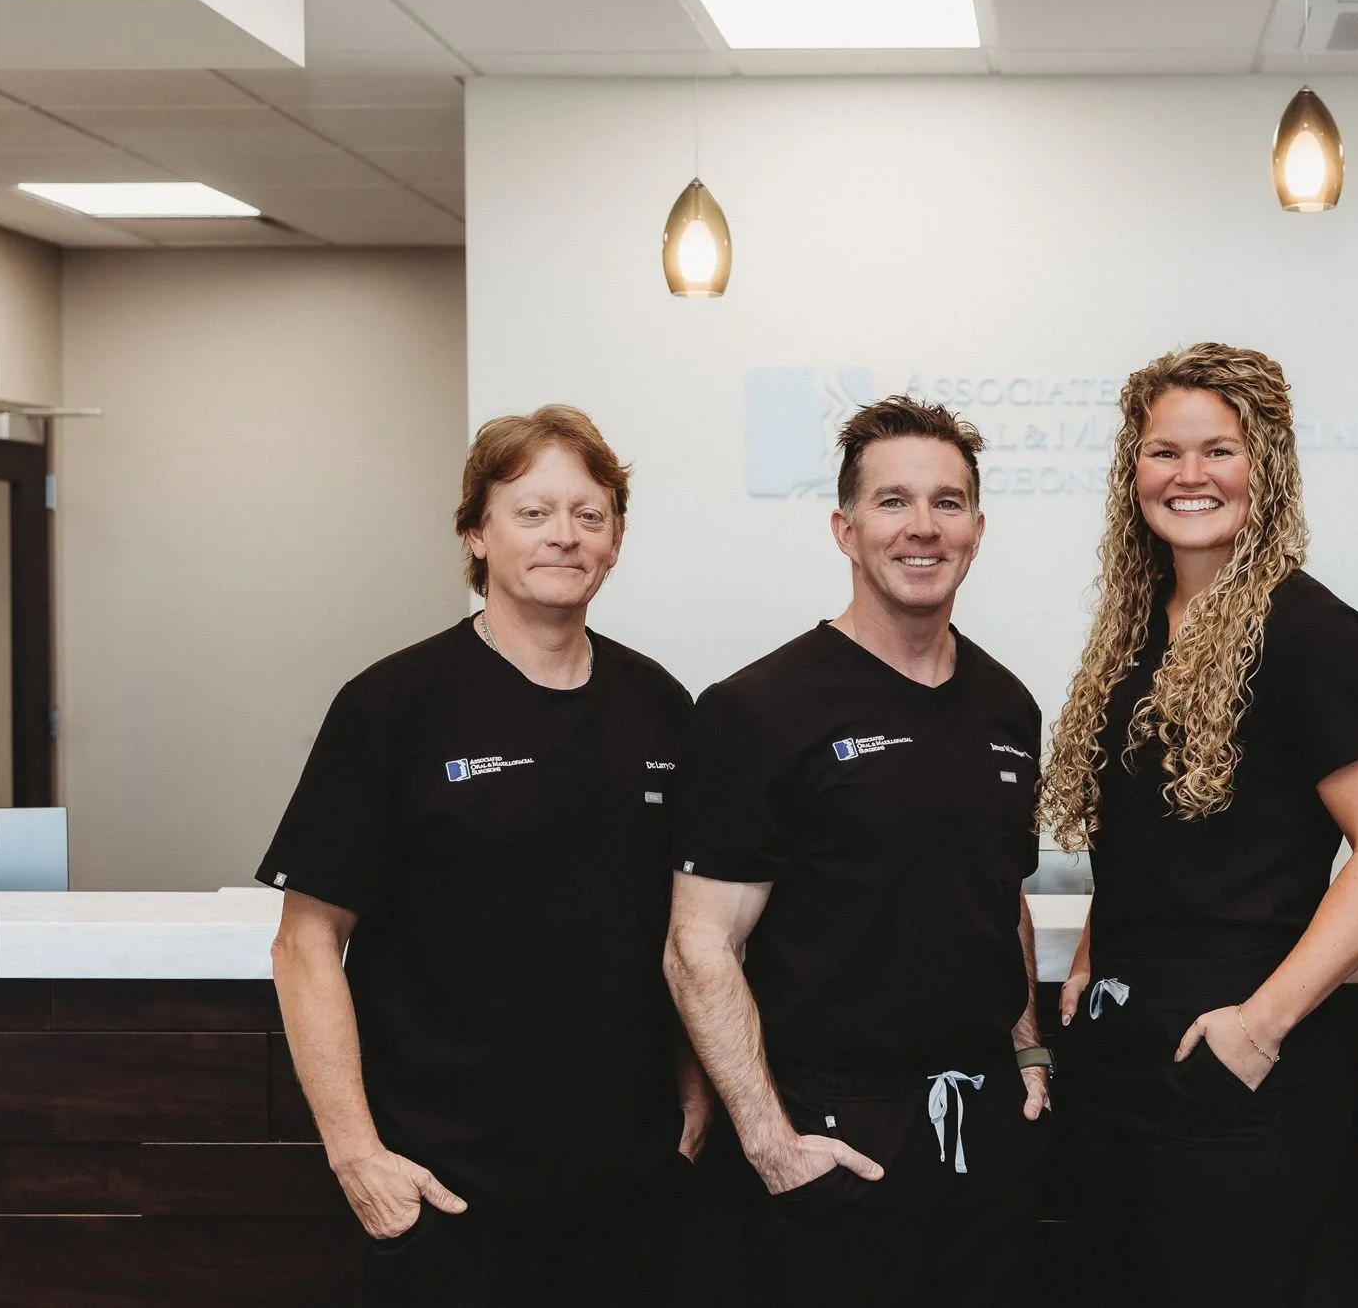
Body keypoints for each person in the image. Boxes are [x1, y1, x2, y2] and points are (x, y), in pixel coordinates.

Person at [259, 406, 707, 1308]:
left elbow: (688, 920)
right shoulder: (392, 706)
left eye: (589, 513)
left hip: (626, 1184)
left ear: (617, 538)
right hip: (445, 1189)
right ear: (477, 531)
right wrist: (358, 1158)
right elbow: (304, 944)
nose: (564, 536)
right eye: (532, 511)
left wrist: (692, 1098)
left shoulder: (662, 705)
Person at [1037, 342, 1358, 1308]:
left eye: (1220, 449)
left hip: (1242, 1073)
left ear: (1268, 466)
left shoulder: (1310, 632)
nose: (1190, 475)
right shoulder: (1137, 629)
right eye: (1165, 451)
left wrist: (1261, 1023)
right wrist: (1095, 942)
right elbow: (1158, 837)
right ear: (1135, 472)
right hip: (1122, 1061)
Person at [664, 396, 1050, 1308]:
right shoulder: (758, 709)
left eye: (948, 503)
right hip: (832, 1134)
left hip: (986, 1132)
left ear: (979, 529)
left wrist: (1030, 1058)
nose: (923, 528)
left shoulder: (1007, 705)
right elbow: (698, 946)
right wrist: (771, 1144)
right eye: (893, 502)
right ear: (844, 528)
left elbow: (1004, 895)